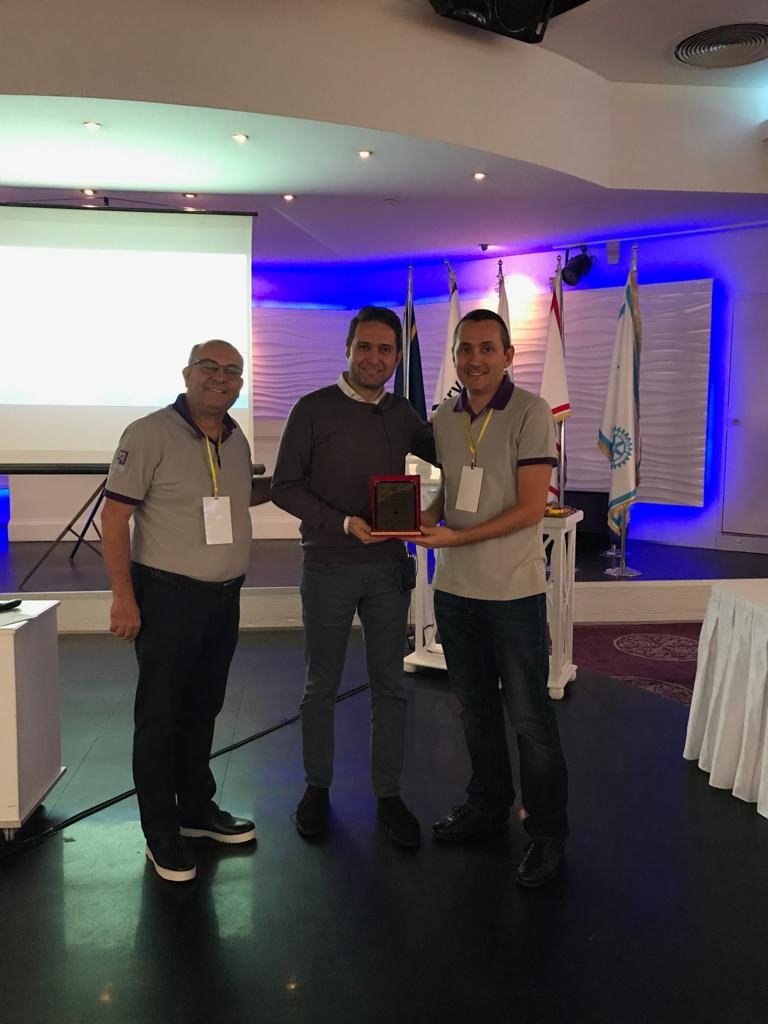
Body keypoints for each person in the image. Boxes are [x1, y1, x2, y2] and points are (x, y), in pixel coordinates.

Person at [271, 305, 436, 848]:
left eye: (385, 349)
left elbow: (437, 472)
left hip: (389, 570)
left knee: (390, 687)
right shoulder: (312, 409)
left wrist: (428, 514)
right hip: (328, 567)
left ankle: (388, 795)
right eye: (365, 346)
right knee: (321, 686)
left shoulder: (405, 414)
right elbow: (285, 487)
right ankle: (316, 789)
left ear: (397, 356)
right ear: (347, 349)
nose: (374, 357)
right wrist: (343, 522)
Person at [416, 309, 569, 888]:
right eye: (465, 348)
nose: (474, 359)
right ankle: (487, 805)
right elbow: (449, 495)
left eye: (487, 348)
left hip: (512, 593)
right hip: (454, 592)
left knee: (530, 719)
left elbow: (530, 508)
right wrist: (417, 518)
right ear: (455, 355)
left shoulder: (531, 411)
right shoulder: (444, 417)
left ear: (508, 355)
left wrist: (454, 537)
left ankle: (548, 831)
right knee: (475, 710)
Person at [101, 340, 257, 883]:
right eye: (209, 367)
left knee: (203, 708)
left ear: (240, 384)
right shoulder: (149, 433)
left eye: (231, 371)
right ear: (187, 373)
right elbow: (114, 518)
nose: (220, 377)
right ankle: (160, 832)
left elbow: (232, 499)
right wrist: (123, 596)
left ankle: (195, 809)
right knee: (160, 716)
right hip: (168, 597)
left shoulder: (236, 437)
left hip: (224, 597)